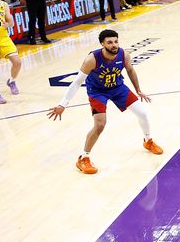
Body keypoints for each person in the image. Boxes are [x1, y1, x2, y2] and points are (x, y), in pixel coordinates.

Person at [46, 29, 163, 174]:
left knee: (143, 113)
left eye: (115, 41)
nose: (114, 45)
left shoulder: (123, 54)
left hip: (118, 88)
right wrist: (63, 104)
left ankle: (148, 141)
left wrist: (138, 90)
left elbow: (131, 70)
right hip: (97, 91)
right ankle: (83, 158)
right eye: (109, 42)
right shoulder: (92, 59)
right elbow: (76, 82)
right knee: (100, 125)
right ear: (102, 44)